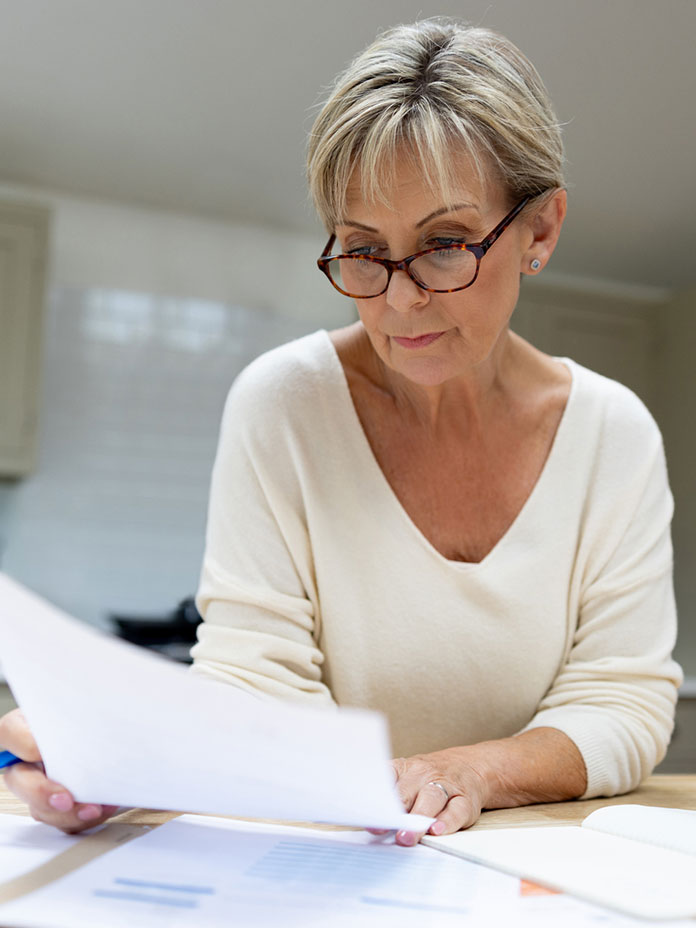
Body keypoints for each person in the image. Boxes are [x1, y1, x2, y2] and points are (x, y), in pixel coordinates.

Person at [0, 18, 681, 844]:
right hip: (327, 859)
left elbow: (623, 700)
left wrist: (468, 772)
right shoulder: (284, 404)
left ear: (539, 230)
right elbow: (253, 679)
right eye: (363, 250)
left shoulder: (613, 434)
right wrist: (140, 764)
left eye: (445, 245)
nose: (398, 300)